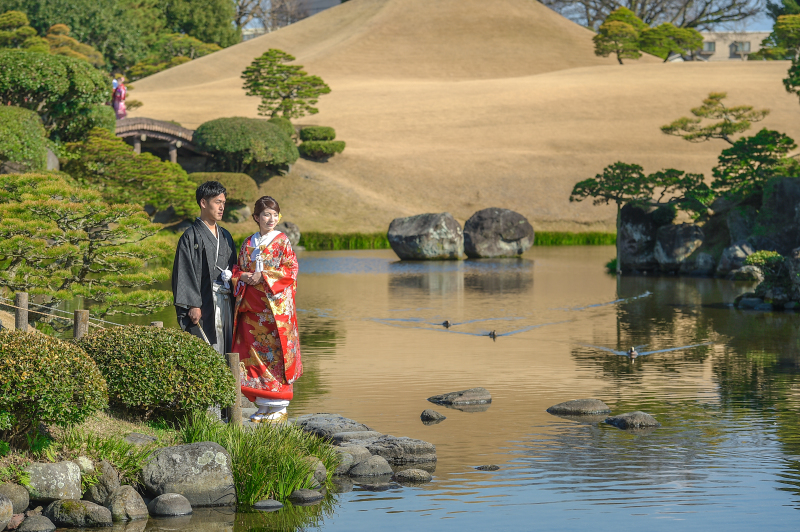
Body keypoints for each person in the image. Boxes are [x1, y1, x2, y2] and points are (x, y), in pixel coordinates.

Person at [230, 196, 303, 423]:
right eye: (266, 214)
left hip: (274, 312)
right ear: (256, 218)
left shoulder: (282, 241)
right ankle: (262, 405)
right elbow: (237, 270)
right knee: (253, 354)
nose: (271, 219)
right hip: (252, 309)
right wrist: (242, 276)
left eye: (274, 214)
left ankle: (279, 407)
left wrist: (264, 275)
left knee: (276, 354)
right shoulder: (248, 243)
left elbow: (291, 271)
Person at [172, 181, 237, 358]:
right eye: (217, 202)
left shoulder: (226, 235)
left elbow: (235, 268)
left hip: (226, 300)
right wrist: (193, 304)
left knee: (228, 345)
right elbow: (185, 272)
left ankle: (229, 382)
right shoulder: (190, 236)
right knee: (208, 347)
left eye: (224, 203)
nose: (222, 207)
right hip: (205, 301)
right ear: (203, 203)